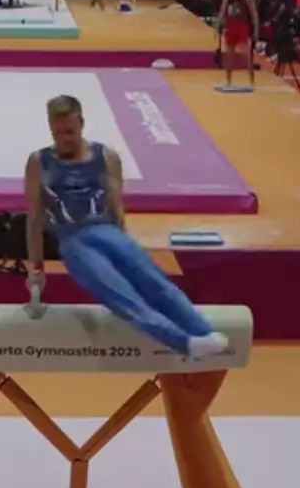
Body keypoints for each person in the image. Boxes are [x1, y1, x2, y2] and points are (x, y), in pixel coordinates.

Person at [24, 95, 229, 359]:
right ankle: (184, 343)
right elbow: (35, 218)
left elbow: (117, 207)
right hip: (74, 241)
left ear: (82, 123)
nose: (64, 139)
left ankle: (204, 332)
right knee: (121, 296)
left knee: (156, 283)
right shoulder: (38, 162)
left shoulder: (106, 157)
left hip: (109, 232)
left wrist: (126, 249)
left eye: (70, 132)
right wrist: (37, 268)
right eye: (57, 133)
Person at [217, 0, 259, 88]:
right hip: (230, 27)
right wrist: (218, 24)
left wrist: (256, 29)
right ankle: (228, 82)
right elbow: (222, 11)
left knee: (247, 56)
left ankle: (252, 82)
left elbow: (254, 13)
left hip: (242, 28)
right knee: (229, 57)